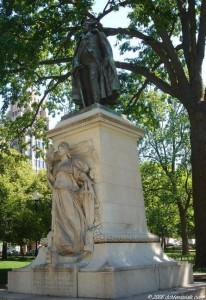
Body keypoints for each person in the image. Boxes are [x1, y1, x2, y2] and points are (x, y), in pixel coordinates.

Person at [46, 142, 96, 255]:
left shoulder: (72, 163)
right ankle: (65, 244)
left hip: (68, 192)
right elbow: (52, 180)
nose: (59, 151)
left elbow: (81, 175)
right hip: (58, 192)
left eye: (61, 148)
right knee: (60, 219)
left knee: (72, 217)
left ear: (67, 151)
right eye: (58, 149)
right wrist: (48, 166)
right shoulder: (57, 166)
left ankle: (77, 243)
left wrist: (89, 186)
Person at [72, 18, 120, 107]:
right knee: (86, 85)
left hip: (94, 62)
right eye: (83, 26)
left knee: (94, 80)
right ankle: (90, 105)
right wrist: (76, 63)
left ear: (90, 26)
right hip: (82, 65)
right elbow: (77, 54)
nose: (83, 27)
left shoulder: (97, 34)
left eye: (85, 25)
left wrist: (106, 60)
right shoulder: (81, 38)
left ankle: (97, 103)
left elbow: (106, 48)